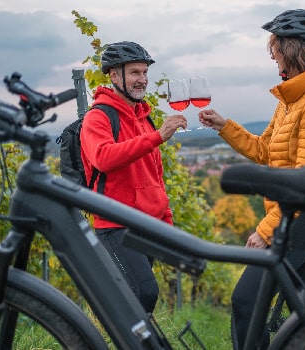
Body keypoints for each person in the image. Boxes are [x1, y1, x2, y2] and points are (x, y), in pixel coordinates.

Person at [198, 9, 305, 349]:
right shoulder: (291, 101)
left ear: (291, 51)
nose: (273, 57)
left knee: (246, 301)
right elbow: (265, 151)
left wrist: (267, 231)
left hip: (298, 221)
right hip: (296, 220)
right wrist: (224, 126)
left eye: (275, 50)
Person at [80, 41, 187, 314]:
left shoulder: (143, 117)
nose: (142, 80)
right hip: (115, 222)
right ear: (114, 75)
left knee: (139, 301)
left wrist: (166, 222)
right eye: (135, 73)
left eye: (144, 73)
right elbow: (103, 157)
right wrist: (158, 136)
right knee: (143, 292)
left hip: (147, 223)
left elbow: (155, 176)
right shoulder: (98, 117)